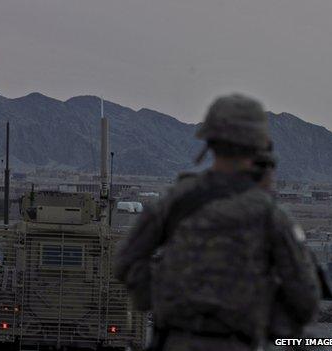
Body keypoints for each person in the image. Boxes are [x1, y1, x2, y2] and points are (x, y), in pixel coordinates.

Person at [114, 94, 321, 351]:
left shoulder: (176, 201)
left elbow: (126, 262)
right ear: (259, 146)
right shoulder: (270, 214)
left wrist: (157, 296)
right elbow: (306, 300)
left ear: (209, 142)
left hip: (175, 342)